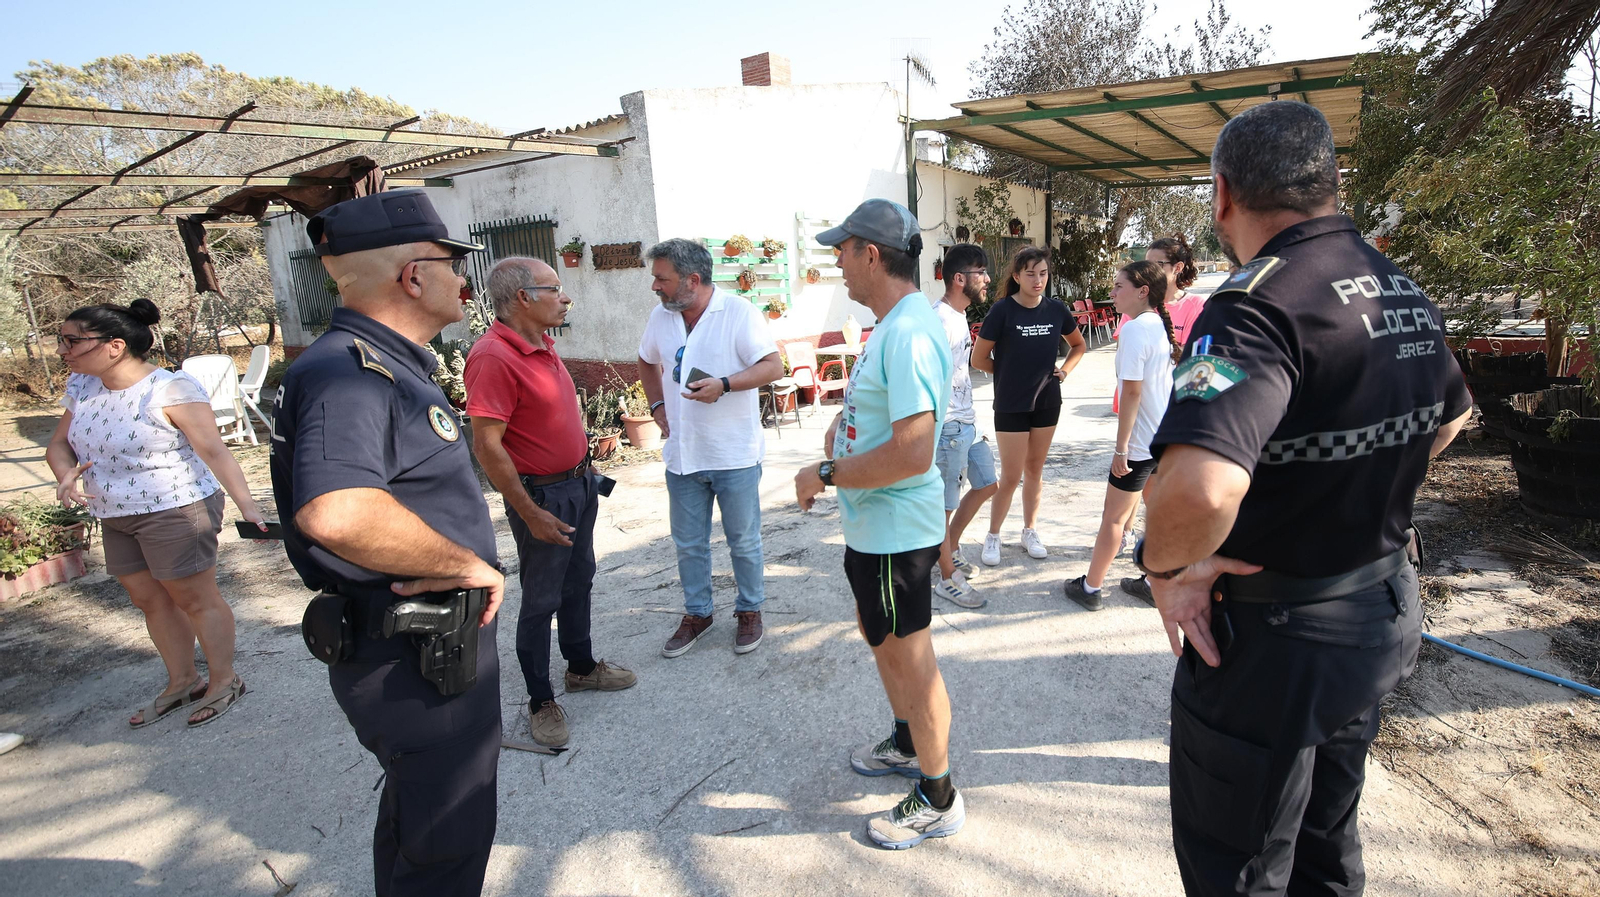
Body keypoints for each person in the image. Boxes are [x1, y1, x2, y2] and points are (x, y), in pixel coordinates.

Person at [1136, 101, 1471, 895]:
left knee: (1242, 867)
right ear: (1331, 182)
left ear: (1223, 195)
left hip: (1278, 647)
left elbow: (1201, 487)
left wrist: (1166, 570)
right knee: (1326, 845)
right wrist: (1356, 488)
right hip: (1377, 613)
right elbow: (1451, 416)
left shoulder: (1254, 304)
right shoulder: (1396, 284)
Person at [270, 190, 507, 897]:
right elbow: (337, 511)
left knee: (424, 825)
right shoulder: (351, 371)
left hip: (425, 648)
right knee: (445, 844)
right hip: (414, 653)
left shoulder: (379, 363)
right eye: (451, 264)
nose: (462, 280)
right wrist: (468, 565)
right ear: (413, 275)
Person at [794, 198, 964, 850]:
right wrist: (845, 425)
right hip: (873, 529)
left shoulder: (910, 330)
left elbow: (914, 451)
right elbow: (884, 411)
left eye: (842, 250)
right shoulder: (892, 324)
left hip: (896, 532)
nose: (836, 262)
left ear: (871, 254)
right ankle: (906, 740)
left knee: (911, 659)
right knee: (883, 640)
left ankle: (938, 797)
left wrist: (826, 472)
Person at [46, 299, 266, 730]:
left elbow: (214, 452)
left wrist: (248, 505)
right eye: (61, 340)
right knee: (149, 600)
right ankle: (183, 681)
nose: (61, 350)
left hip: (175, 509)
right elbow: (59, 445)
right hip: (115, 512)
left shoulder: (170, 389)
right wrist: (65, 475)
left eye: (71, 341)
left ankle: (225, 680)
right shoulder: (82, 386)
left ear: (114, 346)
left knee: (194, 598)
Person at [465, 257, 636, 749]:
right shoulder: (493, 356)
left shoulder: (543, 344)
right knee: (541, 598)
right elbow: (487, 447)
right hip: (543, 497)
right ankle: (540, 699)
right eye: (555, 288)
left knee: (579, 579)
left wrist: (585, 465)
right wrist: (528, 510)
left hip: (578, 485)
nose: (566, 297)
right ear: (523, 297)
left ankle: (580, 667)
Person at [638, 238, 783, 658]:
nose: (655, 287)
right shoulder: (661, 316)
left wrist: (725, 384)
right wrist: (657, 405)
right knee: (688, 544)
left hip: (732, 454)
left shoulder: (738, 313)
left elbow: (773, 366)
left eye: (662, 279)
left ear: (693, 280)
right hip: (683, 455)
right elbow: (646, 359)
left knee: (743, 541)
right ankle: (698, 614)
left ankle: (749, 610)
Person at [1063, 260, 1177, 611]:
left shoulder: (1134, 330)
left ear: (1142, 292)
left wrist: (1122, 448)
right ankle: (1154, 582)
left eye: (1118, 286)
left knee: (1113, 518)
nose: (1111, 293)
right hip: (1161, 439)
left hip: (1140, 445)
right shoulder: (1156, 324)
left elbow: (1132, 392)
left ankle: (1091, 587)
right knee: (1157, 513)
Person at [971, 246, 1087, 565]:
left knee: (1034, 470)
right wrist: (1007, 373)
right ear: (1017, 276)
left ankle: (1029, 530)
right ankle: (993, 535)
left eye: (1043, 274)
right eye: (1031, 274)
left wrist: (1064, 371)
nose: (1038, 280)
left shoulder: (1056, 309)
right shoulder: (1002, 311)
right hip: (1011, 403)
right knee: (1010, 475)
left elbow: (1078, 345)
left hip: (1047, 401)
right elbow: (978, 358)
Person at [930, 243, 998, 609]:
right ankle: (946, 578)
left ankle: (949, 548)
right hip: (949, 428)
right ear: (959, 279)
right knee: (943, 506)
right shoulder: (939, 320)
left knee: (987, 483)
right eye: (980, 272)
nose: (987, 279)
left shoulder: (957, 316)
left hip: (967, 422)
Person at [1146, 233, 1206, 349]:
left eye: (1157, 265)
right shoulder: (1136, 302)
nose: (1148, 271)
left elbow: (1188, 353)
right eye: (1147, 265)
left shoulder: (1195, 305)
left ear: (1178, 267)